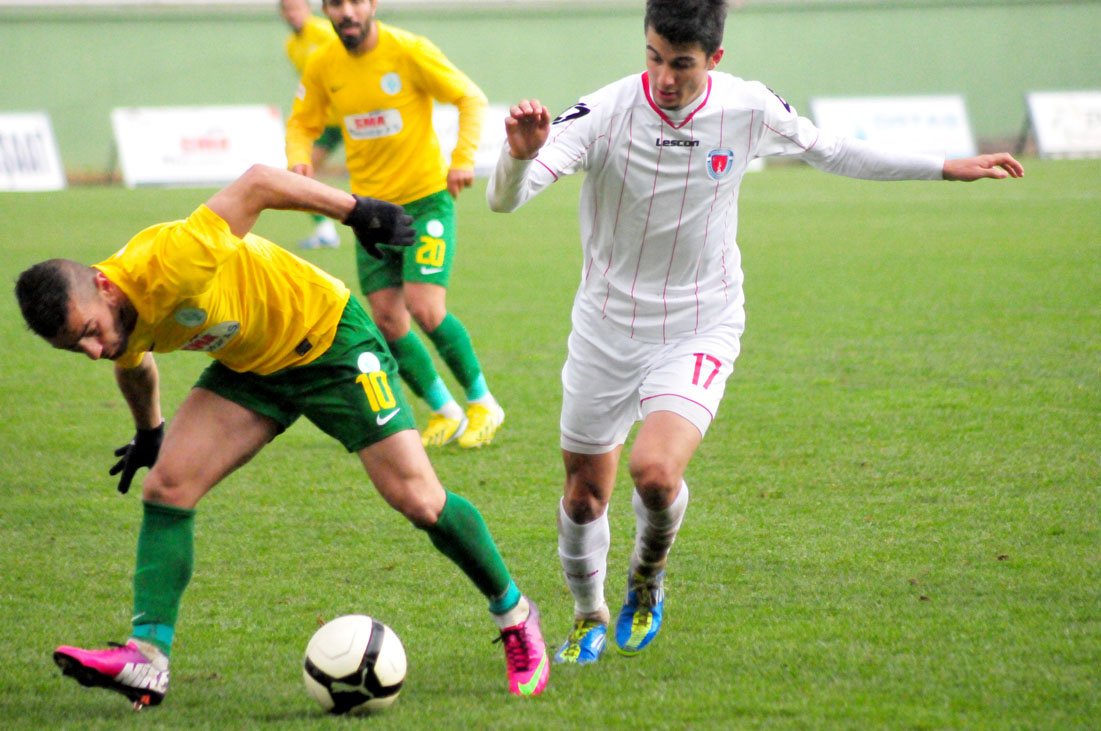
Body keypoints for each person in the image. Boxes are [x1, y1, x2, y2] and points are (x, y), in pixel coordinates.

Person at [487, 0, 1024, 666]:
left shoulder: (747, 107)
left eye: (681, 64)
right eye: (653, 57)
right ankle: (586, 613)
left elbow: (832, 151)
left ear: (714, 59)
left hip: (699, 323)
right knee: (583, 492)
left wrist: (942, 166)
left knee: (654, 474)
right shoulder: (604, 112)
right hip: (605, 327)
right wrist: (517, 158)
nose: (664, 78)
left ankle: (646, 579)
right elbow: (503, 199)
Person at [15, 164, 549, 708]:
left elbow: (259, 184)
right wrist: (149, 431)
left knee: (419, 499)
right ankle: (147, 660)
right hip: (252, 369)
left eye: (88, 332)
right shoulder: (116, 318)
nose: (92, 350)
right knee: (167, 487)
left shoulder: (171, 259)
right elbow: (134, 365)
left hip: (330, 340)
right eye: (74, 347)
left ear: (104, 286)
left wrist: (358, 211)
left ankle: (515, 615)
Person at [286, 0, 505, 450]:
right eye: (334, 4)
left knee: (426, 308)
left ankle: (484, 402)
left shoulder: (408, 50)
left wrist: (463, 160)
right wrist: (298, 160)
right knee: (388, 321)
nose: (345, 12)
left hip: (425, 202)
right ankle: (446, 411)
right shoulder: (322, 63)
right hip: (370, 213)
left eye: (353, 2)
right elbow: (301, 123)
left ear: (371, 5)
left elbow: (470, 97)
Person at [279, 0, 345, 249]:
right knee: (301, 173)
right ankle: (325, 231)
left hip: (352, 114)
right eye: (288, 10)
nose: (293, 14)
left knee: (378, 172)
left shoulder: (325, 32)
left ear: (308, 10)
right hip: (327, 121)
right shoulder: (291, 46)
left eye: (297, 8)